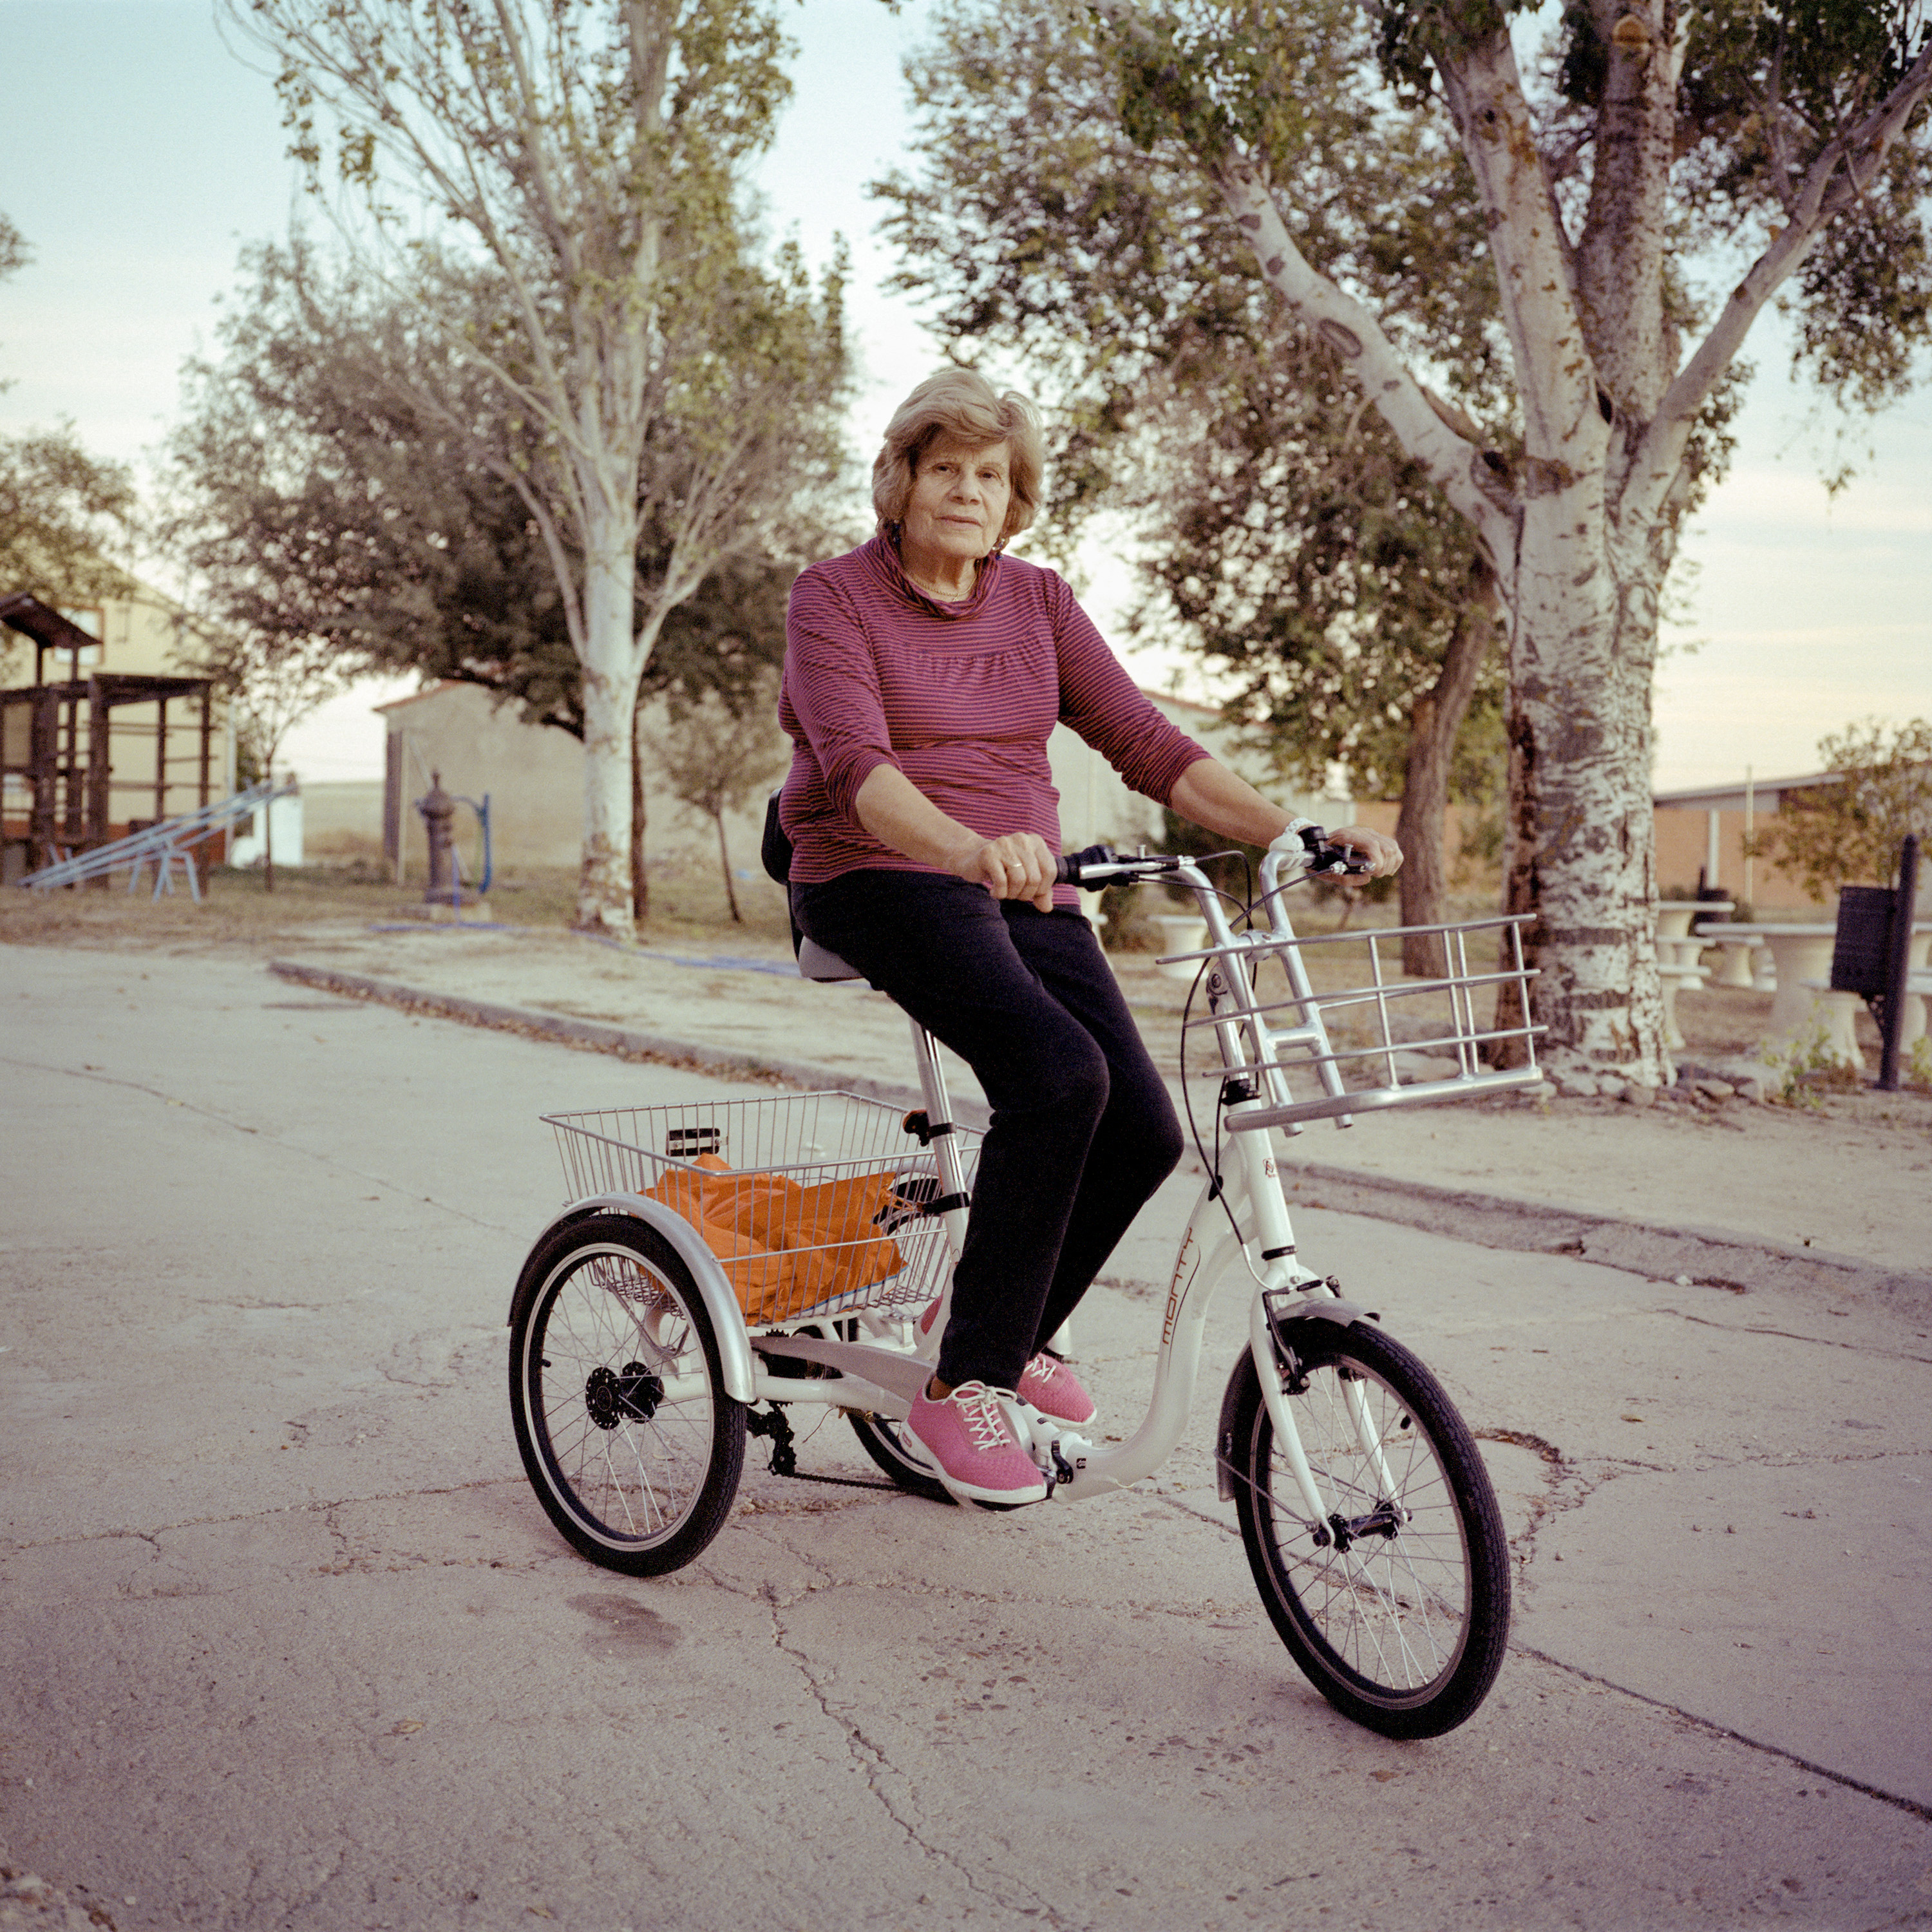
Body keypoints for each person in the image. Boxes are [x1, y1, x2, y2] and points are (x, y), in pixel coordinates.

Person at [777, 370, 1400, 1506]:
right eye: (945, 467)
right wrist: (969, 847)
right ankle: (964, 1383)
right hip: (878, 874)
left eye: (992, 475)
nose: (968, 491)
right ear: (901, 480)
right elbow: (857, 770)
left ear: (1015, 501)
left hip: (1023, 882)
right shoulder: (833, 598)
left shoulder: (1039, 603)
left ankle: (991, 1323)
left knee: (1144, 1129)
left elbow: (1147, 742)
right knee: (1059, 1079)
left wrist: (1294, 832)